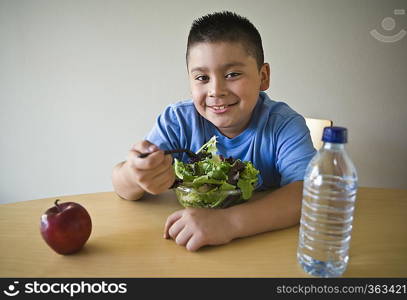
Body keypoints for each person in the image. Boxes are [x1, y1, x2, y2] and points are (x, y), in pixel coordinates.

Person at [112, 11, 316, 251]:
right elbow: (122, 186)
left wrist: (229, 222)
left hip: (265, 249)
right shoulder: (178, 121)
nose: (216, 90)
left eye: (232, 74)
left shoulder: (283, 125)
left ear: (263, 77)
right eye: (202, 77)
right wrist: (135, 175)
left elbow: (308, 194)